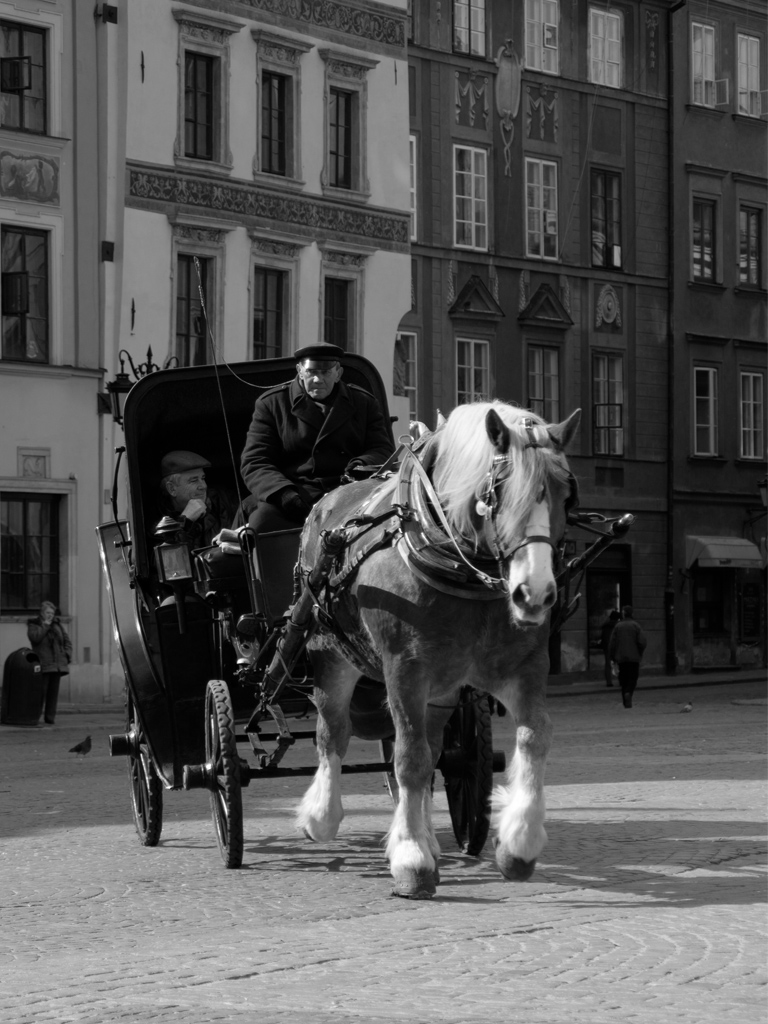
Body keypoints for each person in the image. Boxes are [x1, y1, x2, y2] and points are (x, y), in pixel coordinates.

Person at [240, 343, 395, 534]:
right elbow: (255, 461)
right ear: (299, 371)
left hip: (350, 492)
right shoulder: (272, 404)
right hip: (296, 496)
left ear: (338, 373)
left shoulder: (364, 402)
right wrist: (284, 494)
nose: (317, 379)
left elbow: (382, 449)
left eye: (325, 372)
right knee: (261, 525)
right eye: (311, 371)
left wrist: (360, 467)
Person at [157, 450, 233, 548]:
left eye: (203, 478)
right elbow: (168, 558)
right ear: (172, 489)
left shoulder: (222, 503)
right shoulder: (157, 521)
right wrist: (185, 521)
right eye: (194, 480)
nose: (204, 486)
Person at [27, 601, 72, 726]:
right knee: (40, 693)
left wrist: (66, 654)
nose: (50, 615)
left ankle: (50, 718)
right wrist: (46, 625)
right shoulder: (34, 625)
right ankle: (34, 717)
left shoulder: (57, 625)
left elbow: (67, 641)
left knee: (53, 694)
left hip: (57, 665)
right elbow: (35, 638)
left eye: (52, 613)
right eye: (47, 612)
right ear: (42, 613)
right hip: (43, 664)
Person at [608, 605, 647, 709]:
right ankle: (629, 692)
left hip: (621, 658)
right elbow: (642, 642)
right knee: (633, 678)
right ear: (632, 614)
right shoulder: (636, 626)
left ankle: (626, 702)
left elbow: (612, 643)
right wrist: (639, 652)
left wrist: (612, 656)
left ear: (623, 614)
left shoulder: (618, 626)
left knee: (623, 679)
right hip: (634, 658)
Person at [600, 609, 621, 687]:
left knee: (608, 664)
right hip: (617, 646)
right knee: (619, 664)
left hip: (607, 646)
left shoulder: (605, 626)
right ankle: (620, 680)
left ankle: (609, 682)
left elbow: (603, 637)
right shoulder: (618, 626)